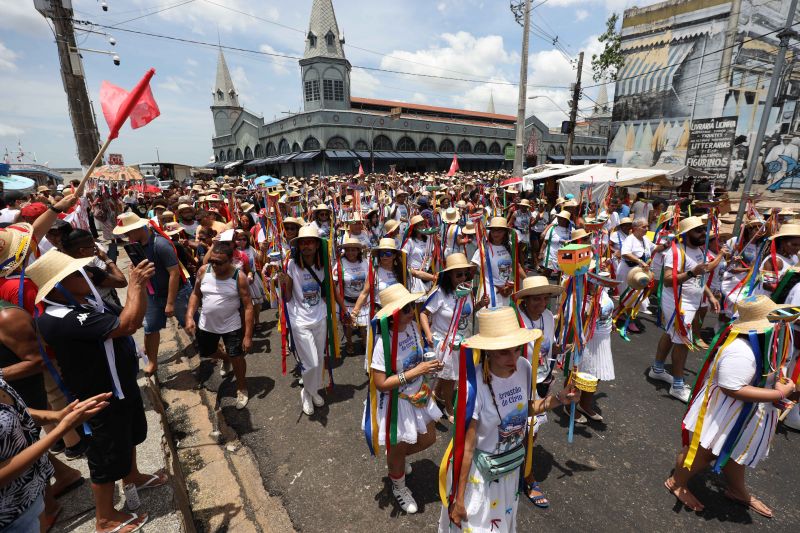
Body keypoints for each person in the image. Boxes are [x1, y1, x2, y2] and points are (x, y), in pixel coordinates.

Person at [29, 250, 166, 533]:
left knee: (130, 433)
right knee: (104, 454)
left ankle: (133, 476)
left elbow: (128, 319)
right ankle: (104, 518)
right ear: (59, 286)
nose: (88, 275)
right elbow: (127, 324)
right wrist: (136, 286)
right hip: (99, 394)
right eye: (78, 274)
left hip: (119, 384)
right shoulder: (60, 318)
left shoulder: (85, 301)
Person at [441, 306, 579, 532]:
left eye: (516, 349)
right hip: (482, 476)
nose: (513, 357)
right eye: (504, 352)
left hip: (510, 468)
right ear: (488, 351)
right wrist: (459, 498)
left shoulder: (524, 367)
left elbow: (526, 409)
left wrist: (558, 400)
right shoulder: (473, 385)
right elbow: (466, 448)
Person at [665, 296, 797, 518]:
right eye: (775, 320)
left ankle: (737, 490)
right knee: (704, 453)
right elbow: (732, 388)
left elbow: (772, 367)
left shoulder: (766, 342)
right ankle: (676, 482)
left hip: (749, 411)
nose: (782, 324)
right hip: (726, 410)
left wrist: (777, 381)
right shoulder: (741, 350)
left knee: (737, 451)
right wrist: (779, 393)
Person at [367, 284, 443, 514]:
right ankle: (398, 484)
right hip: (398, 403)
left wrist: (428, 368)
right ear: (393, 315)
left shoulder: (412, 328)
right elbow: (380, 383)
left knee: (428, 439)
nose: (413, 310)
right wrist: (415, 372)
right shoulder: (383, 344)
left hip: (418, 396)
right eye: (407, 308)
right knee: (400, 448)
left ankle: (395, 461)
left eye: (412, 305)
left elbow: (417, 360)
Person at [0, 377, 110, 533]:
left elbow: (15, 409)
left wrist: (57, 416)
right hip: (8, 517)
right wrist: (61, 430)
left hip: (31, 495)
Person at [650, 216, 722, 402]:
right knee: (682, 341)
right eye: (698, 231)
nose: (703, 234)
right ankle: (678, 385)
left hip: (691, 301)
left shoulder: (699, 250)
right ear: (687, 233)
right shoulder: (674, 253)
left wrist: (710, 295)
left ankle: (657, 369)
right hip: (678, 304)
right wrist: (692, 272)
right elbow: (667, 280)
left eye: (703, 230)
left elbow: (700, 276)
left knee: (670, 333)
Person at [113, 212, 192, 377]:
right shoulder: (135, 246)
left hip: (176, 293)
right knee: (150, 329)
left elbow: (174, 274)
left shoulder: (161, 244)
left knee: (189, 322)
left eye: (128, 233)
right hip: (152, 294)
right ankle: (152, 362)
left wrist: (170, 303)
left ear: (138, 228)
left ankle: (209, 347)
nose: (127, 237)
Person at [511, 275, 563, 509]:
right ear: (524, 301)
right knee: (519, 429)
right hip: (520, 383)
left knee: (532, 431)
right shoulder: (514, 321)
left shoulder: (549, 318)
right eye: (536, 300)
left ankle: (522, 470)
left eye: (545, 299)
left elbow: (550, 343)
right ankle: (525, 475)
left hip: (542, 380)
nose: (541, 304)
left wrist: (562, 349)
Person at [185, 242, 253, 410]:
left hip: (232, 325)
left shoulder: (239, 277)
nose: (214, 265)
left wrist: (248, 335)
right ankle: (226, 358)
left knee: (237, 357)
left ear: (230, 260)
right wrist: (189, 317)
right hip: (206, 325)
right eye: (212, 261)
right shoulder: (203, 271)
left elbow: (248, 306)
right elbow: (195, 294)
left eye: (219, 262)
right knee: (208, 352)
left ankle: (241, 387)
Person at [420, 253, 480, 422]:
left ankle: (436, 395)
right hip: (444, 343)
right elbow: (424, 314)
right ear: (449, 276)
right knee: (450, 379)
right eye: (458, 274)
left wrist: (480, 305)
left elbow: (465, 314)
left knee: (447, 376)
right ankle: (448, 407)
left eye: (465, 274)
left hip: (461, 342)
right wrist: (429, 334)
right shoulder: (440, 293)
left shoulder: (467, 292)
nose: (463, 278)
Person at [278, 225, 329, 416]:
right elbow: (288, 296)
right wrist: (282, 282)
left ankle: (312, 390)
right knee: (311, 362)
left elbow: (327, 290)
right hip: (299, 319)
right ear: (298, 246)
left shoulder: (323, 264)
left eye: (310, 242)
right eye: (303, 243)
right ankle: (306, 392)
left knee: (320, 360)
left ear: (317, 245)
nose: (306, 246)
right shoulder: (290, 265)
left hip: (320, 316)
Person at [333, 238, 369, 356]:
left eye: (354, 250)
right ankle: (349, 343)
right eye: (348, 250)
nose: (351, 253)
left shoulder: (365, 262)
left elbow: (370, 280)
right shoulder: (339, 264)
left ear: (359, 251)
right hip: (347, 301)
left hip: (362, 300)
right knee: (348, 326)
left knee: (363, 326)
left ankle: (365, 343)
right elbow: (334, 284)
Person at [403, 215, 436, 299]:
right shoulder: (409, 242)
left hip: (427, 274)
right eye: (420, 225)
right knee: (418, 302)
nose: (423, 227)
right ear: (414, 228)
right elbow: (403, 258)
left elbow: (432, 255)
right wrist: (409, 271)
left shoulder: (429, 239)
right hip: (415, 276)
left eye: (424, 224)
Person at [539, 211, 571, 277]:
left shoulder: (570, 230)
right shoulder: (552, 228)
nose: (559, 219)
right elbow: (545, 242)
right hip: (551, 255)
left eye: (561, 218)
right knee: (546, 273)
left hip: (564, 256)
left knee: (561, 276)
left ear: (565, 220)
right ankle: (541, 286)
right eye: (558, 217)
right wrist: (541, 253)